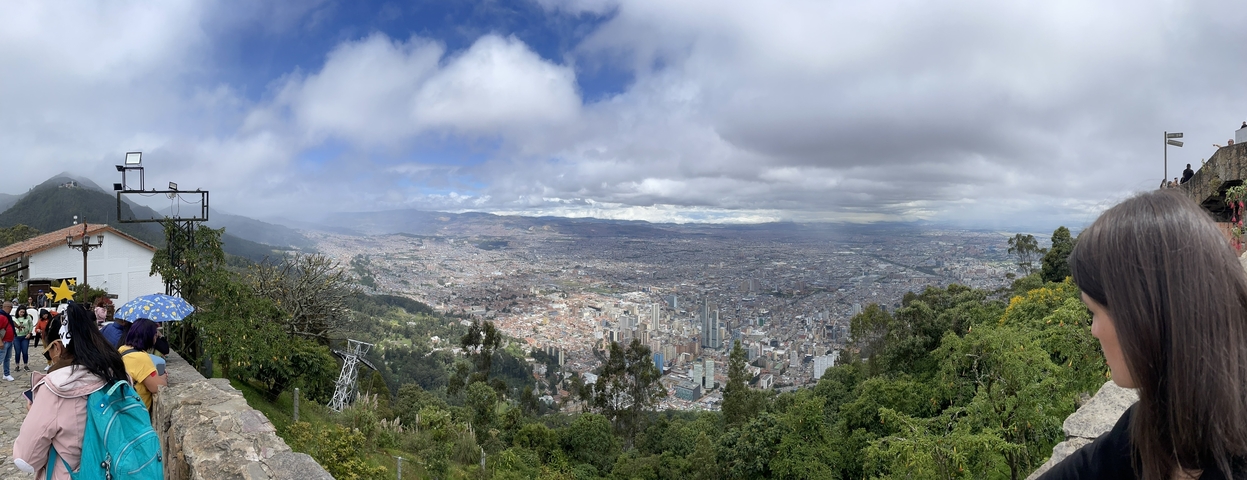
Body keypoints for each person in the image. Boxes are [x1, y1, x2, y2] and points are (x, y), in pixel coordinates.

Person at [1040, 190, 1247, 479]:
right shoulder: (1163, 421)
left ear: (1145, 315)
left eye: (1095, 312)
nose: (1093, 330)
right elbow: (1085, 469)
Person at [12, 302, 129, 479]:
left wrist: (35, 413)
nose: (49, 357)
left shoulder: (54, 389)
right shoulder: (119, 374)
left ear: (57, 347)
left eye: (47, 352)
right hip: (118, 470)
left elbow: (27, 459)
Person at [118, 318, 166, 410]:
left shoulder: (123, 350)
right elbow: (157, 387)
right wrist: (163, 377)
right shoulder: (140, 358)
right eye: (155, 334)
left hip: (123, 408)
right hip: (137, 413)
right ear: (149, 336)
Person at [12, 306, 33, 372]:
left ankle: (25, 365)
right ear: (18, 311)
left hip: (25, 337)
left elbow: (31, 325)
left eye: (23, 312)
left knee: (25, 352)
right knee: (17, 352)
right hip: (16, 337)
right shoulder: (14, 318)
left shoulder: (28, 317)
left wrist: (29, 333)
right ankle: (17, 365)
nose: (22, 313)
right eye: (21, 312)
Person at [1, 301, 14, 381]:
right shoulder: (2, 317)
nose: (11, 309)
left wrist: (18, 326)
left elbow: (11, 323)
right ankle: (6, 374)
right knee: (1, 358)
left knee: (7, 359)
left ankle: (6, 374)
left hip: (9, 340)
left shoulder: (7, 316)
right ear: (7, 307)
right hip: (4, 341)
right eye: (11, 307)